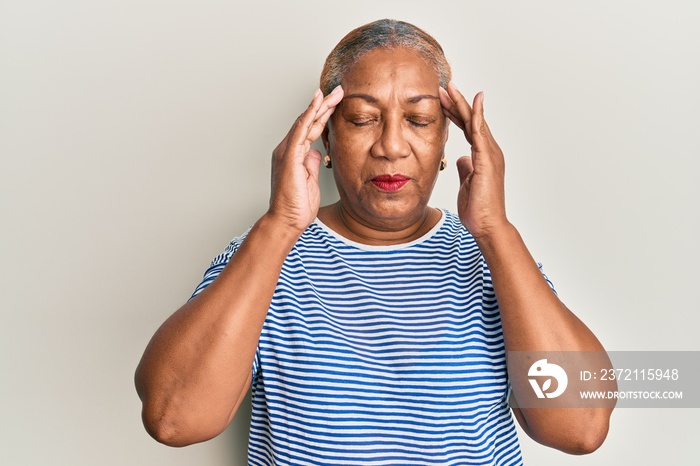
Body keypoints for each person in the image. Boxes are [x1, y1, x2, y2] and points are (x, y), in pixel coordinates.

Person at [135, 19, 614, 465]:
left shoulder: (495, 260)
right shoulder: (265, 257)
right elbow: (174, 419)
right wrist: (279, 225)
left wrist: (495, 230)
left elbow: (581, 427)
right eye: (363, 119)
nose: (390, 145)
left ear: (448, 139)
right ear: (324, 138)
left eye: (420, 120)